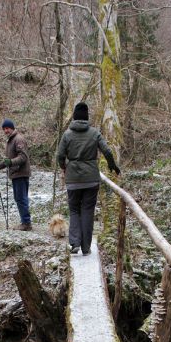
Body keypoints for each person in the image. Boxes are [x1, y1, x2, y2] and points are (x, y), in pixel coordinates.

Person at [57, 102, 120, 255]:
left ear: (74, 117)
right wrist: (112, 165)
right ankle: (86, 247)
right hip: (91, 178)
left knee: (74, 210)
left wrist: (64, 167)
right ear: (86, 117)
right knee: (87, 211)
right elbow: (107, 150)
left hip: (73, 179)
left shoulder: (67, 134)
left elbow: (60, 155)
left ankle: (74, 243)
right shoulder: (94, 133)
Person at [0, 119, 32, 231]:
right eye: (4, 129)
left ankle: (26, 223)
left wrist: (10, 163)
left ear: (12, 128)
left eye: (7, 128)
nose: (5, 130)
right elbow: (9, 160)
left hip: (20, 173)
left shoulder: (18, 139)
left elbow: (23, 157)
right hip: (16, 173)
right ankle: (25, 222)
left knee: (21, 198)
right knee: (20, 198)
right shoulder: (11, 140)